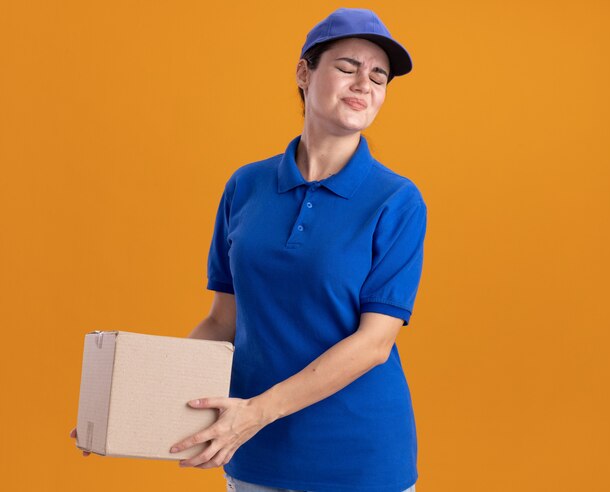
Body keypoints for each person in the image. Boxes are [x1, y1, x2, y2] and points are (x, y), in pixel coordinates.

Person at [71, 7, 427, 492]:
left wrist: (255, 413)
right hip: (249, 453)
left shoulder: (396, 200)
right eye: (347, 67)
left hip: (357, 460)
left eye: (379, 76)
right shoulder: (247, 186)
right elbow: (223, 321)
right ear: (305, 72)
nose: (365, 83)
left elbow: (375, 344)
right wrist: (129, 404)